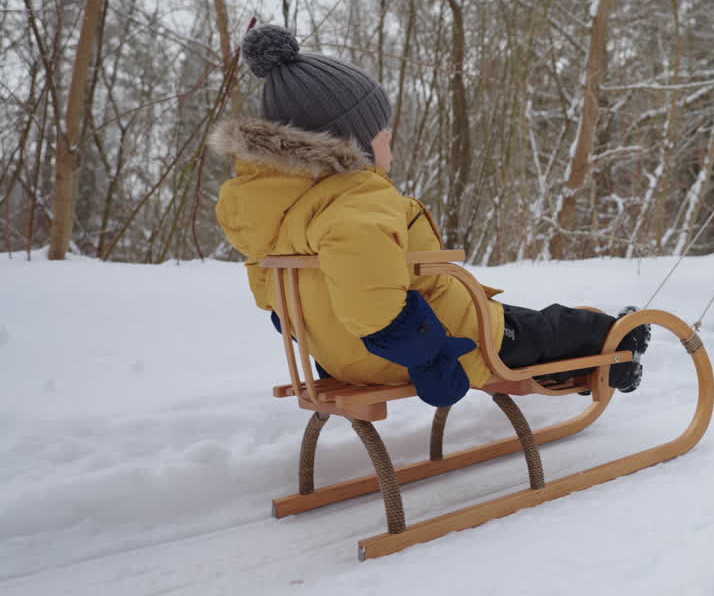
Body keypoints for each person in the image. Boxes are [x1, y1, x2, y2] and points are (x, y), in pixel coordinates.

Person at [210, 24, 647, 406]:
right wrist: (432, 359)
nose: (391, 151)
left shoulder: (270, 212)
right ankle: (618, 345)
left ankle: (590, 356)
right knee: (549, 330)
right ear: (351, 142)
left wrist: (327, 345)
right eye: (385, 138)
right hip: (431, 346)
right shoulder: (355, 201)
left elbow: (275, 303)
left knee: (521, 327)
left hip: (344, 356)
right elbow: (374, 309)